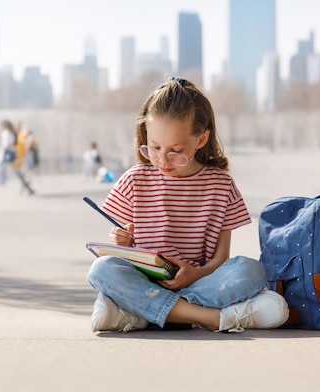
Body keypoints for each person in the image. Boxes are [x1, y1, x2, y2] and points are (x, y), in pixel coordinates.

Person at [87, 77, 289, 333]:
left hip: (198, 283)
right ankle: (211, 318)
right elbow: (121, 252)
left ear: (201, 140)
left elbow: (220, 259)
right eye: (155, 148)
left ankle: (142, 313)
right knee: (101, 270)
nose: (162, 160)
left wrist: (194, 273)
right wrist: (120, 243)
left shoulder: (221, 185)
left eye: (176, 150)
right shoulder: (134, 180)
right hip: (145, 281)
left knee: (251, 271)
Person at [0, 120, 17, 185]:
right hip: (9, 150)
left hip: (6, 150)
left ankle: (3, 179)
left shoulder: (6, 133)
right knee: (4, 165)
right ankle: (3, 179)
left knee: (2, 165)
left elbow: (6, 144)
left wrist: (5, 148)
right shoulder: (10, 133)